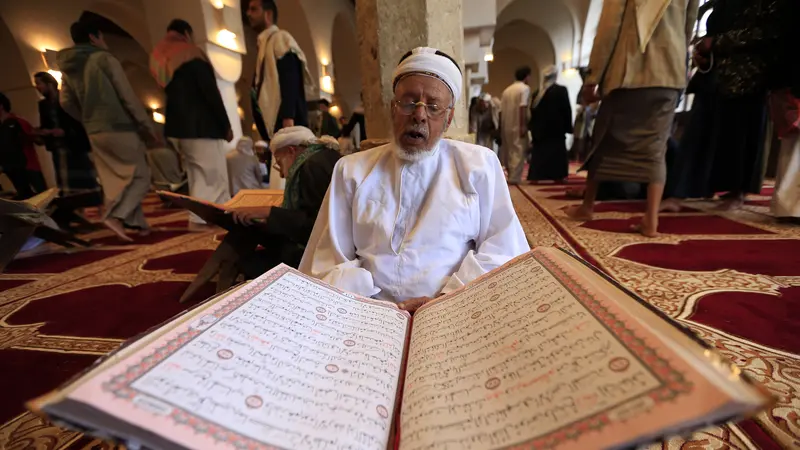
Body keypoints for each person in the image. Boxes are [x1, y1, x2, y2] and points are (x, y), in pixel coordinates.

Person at [299, 47, 530, 311]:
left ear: (448, 118)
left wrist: (447, 298)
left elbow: (504, 249)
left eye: (433, 107)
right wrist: (369, 302)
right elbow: (329, 259)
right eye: (409, 103)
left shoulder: (478, 165)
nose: (419, 115)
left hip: (454, 307)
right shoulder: (350, 171)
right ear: (393, 109)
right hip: (368, 310)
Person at [566, 0, 699, 237]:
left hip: (628, 72)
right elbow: (688, 27)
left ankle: (587, 206)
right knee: (656, 147)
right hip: (669, 72)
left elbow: (609, 28)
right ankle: (651, 219)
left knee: (604, 139)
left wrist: (593, 77)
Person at [661, 0, 792, 212]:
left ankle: (736, 192)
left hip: (749, 74)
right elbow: (715, 28)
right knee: (699, 132)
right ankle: (681, 192)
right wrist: (704, 50)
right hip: (716, 72)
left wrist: (717, 43)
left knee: (739, 139)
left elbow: (769, 32)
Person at [58, 21, 159, 241]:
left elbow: (65, 102)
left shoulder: (69, 67)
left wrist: (86, 118)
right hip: (119, 127)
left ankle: (138, 224)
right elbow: (127, 96)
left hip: (94, 130)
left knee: (116, 179)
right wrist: (146, 125)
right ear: (94, 37)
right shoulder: (104, 59)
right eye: (102, 37)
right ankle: (117, 215)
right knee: (141, 176)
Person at [151, 19, 233, 230]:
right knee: (213, 174)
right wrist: (225, 125)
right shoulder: (191, 54)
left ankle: (197, 218)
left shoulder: (163, 58)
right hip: (202, 127)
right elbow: (210, 94)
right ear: (186, 33)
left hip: (180, 130)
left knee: (197, 175)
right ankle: (212, 218)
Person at [229, 126, 341, 277]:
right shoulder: (320, 158)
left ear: (291, 151)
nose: (282, 173)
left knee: (249, 263)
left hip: (324, 256)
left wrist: (270, 212)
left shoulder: (312, 166)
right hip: (326, 247)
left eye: (279, 163)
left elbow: (316, 227)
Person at [246, 0, 314, 172]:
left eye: (254, 9)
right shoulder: (265, 44)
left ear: (268, 14)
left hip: (286, 126)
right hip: (278, 130)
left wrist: (287, 119)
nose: (248, 13)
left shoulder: (281, 38)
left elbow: (290, 77)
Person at [33, 72, 98, 193]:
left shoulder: (66, 98)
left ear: (49, 83)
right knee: (66, 184)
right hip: (57, 148)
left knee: (84, 182)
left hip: (74, 146)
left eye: (39, 83)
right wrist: (41, 133)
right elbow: (46, 124)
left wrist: (64, 131)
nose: (37, 87)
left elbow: (79, 121)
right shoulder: (43, 105)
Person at [528, 65, 572, 183]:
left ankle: (536, 176)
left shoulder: (538, 93)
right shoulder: (561, 90)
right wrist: (568, 127)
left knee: (540, 154)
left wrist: (533, 129)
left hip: (540, 131)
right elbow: (566, 110)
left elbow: (533, 112)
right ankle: (558, 176)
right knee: (556, 154)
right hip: (556, 130)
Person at [0, 93, 46, 200]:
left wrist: (37, 134)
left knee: (43, 198)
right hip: (12, 169)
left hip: (28, 166)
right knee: (25, 198)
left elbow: (38, 139)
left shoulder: (17, 121)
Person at [499, 66, 532, 184]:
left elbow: (500, 111)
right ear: (527, 76)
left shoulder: (507, 90)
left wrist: (500, 128)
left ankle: (510, 175)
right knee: (518, 150)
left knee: (509, 150)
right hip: (518, 124)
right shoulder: (524, 89)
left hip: (506, 124)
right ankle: (514, 178)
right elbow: (522, 106)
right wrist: (523, 125)